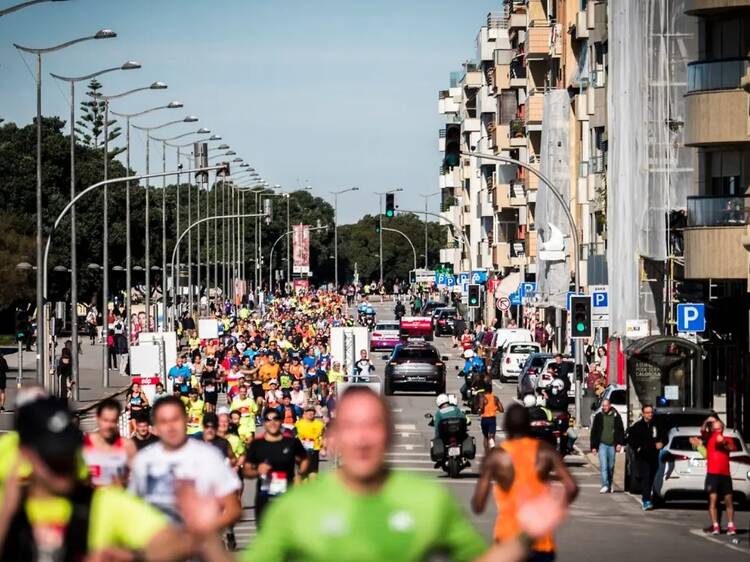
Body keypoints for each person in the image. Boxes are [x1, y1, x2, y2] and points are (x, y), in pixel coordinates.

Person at [178, 386, 571, 562]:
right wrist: (203, 535)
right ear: (333, 439)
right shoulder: (296, 508)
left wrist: (526, 537)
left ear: (388, 435)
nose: (362, 439)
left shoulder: (426, 500)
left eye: (372, 426)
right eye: (351, 427)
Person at [0, 397, 195, 561]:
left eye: (68, 452)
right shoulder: (8, 506)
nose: (63, 464)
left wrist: (133, 556)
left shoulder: (103, 503)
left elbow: (173, 542)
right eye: (52, 457)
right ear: (25, 454)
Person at [472, 403, 578, 562]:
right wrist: (553, 509)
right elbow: (571, 487)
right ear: (528, 425)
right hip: (540, 539)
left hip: (508, 540)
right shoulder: (545, 451)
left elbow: (478, 505)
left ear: (506, 426)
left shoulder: (496, 457)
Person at [129, 396, 241, 530]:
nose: (170, 427)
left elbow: (233, 508)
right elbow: (132, 508)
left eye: (175, 419)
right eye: (164, 421)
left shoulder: (208, 455)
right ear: (155, 426)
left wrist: (203, 532)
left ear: (186, 420)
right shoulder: (143, 460)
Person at [244, 409, 309, 526]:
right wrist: (257, 471)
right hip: (265, 495)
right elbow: (246, 470)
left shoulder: (291, 442)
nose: (272, 422)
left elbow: (304, 459)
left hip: (287, 495)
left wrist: (300, 474)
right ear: (263, 423)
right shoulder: (257, 444)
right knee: (265, 532)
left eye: (275, 419)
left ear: (280, 422)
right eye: (268, 420)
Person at [695, 417, 737, 535]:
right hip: (712, 474)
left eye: (718, 428)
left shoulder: (728, 439)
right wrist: (707, 420)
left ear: (722, 428)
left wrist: (723, 442)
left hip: (725, 474)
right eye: (714, 428)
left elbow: (731, 448)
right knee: (713, 500)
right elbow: (702, 430)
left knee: (728, 500)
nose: (716, 430)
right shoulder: (709, 437)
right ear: (712, 429)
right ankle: (716, 526)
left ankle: (730, 525)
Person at [82, 398, 136, 487]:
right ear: (97, 419)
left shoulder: (127, 446)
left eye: (113, 421)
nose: (109, 426)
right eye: (105, 420)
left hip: (117, 498)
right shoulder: (84, 445)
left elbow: (138, 479)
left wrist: (124, 483)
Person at [626, 404, 662, 510]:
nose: (649, 414)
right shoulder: (638, 426)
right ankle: (646, 500)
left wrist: (662, 443)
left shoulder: (656, 425)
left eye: (651, 412)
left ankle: (650, 497)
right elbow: (632, 440)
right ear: (643, 414)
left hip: (654, 456)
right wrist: (638, 448)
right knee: (645, 478)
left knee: (651, 477)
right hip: (642, 457)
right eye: (647, 413)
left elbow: (663, 436)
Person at [590, 398, 626, 493]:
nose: (604, 407)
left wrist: (619, 443)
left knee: (610, 466)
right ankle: (605, 484)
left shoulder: (616, 416)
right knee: (604, 465)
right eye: (603, 406)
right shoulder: (599, 416)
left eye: (606, 405)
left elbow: (620, 430)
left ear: (610, 406)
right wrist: (593, 446)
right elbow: (594, 431)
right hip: (602, 444)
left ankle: (609, 484)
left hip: (612, 445)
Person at [294, 405, 326, 477]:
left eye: (312, 411)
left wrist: (323, 448)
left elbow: (324, 436)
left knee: (313, 475)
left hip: (314, 451)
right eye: (308, 411)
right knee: (302, 475)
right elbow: (294, 437)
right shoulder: (298, 424)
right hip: (301, 451)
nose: (311, 413)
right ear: (304, 413)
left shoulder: (319, 424)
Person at [477, 382, 504, 452]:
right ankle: (492, 449)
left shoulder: (482, 397)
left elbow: (481, 407)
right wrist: (495, 408)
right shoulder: (495, 398)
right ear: (491, 390)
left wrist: (480, 411)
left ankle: (486, 453)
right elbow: (501, 409)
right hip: (492, 419)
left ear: (484, 390)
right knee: (492, 436)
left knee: (485, 437)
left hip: (484, 419)